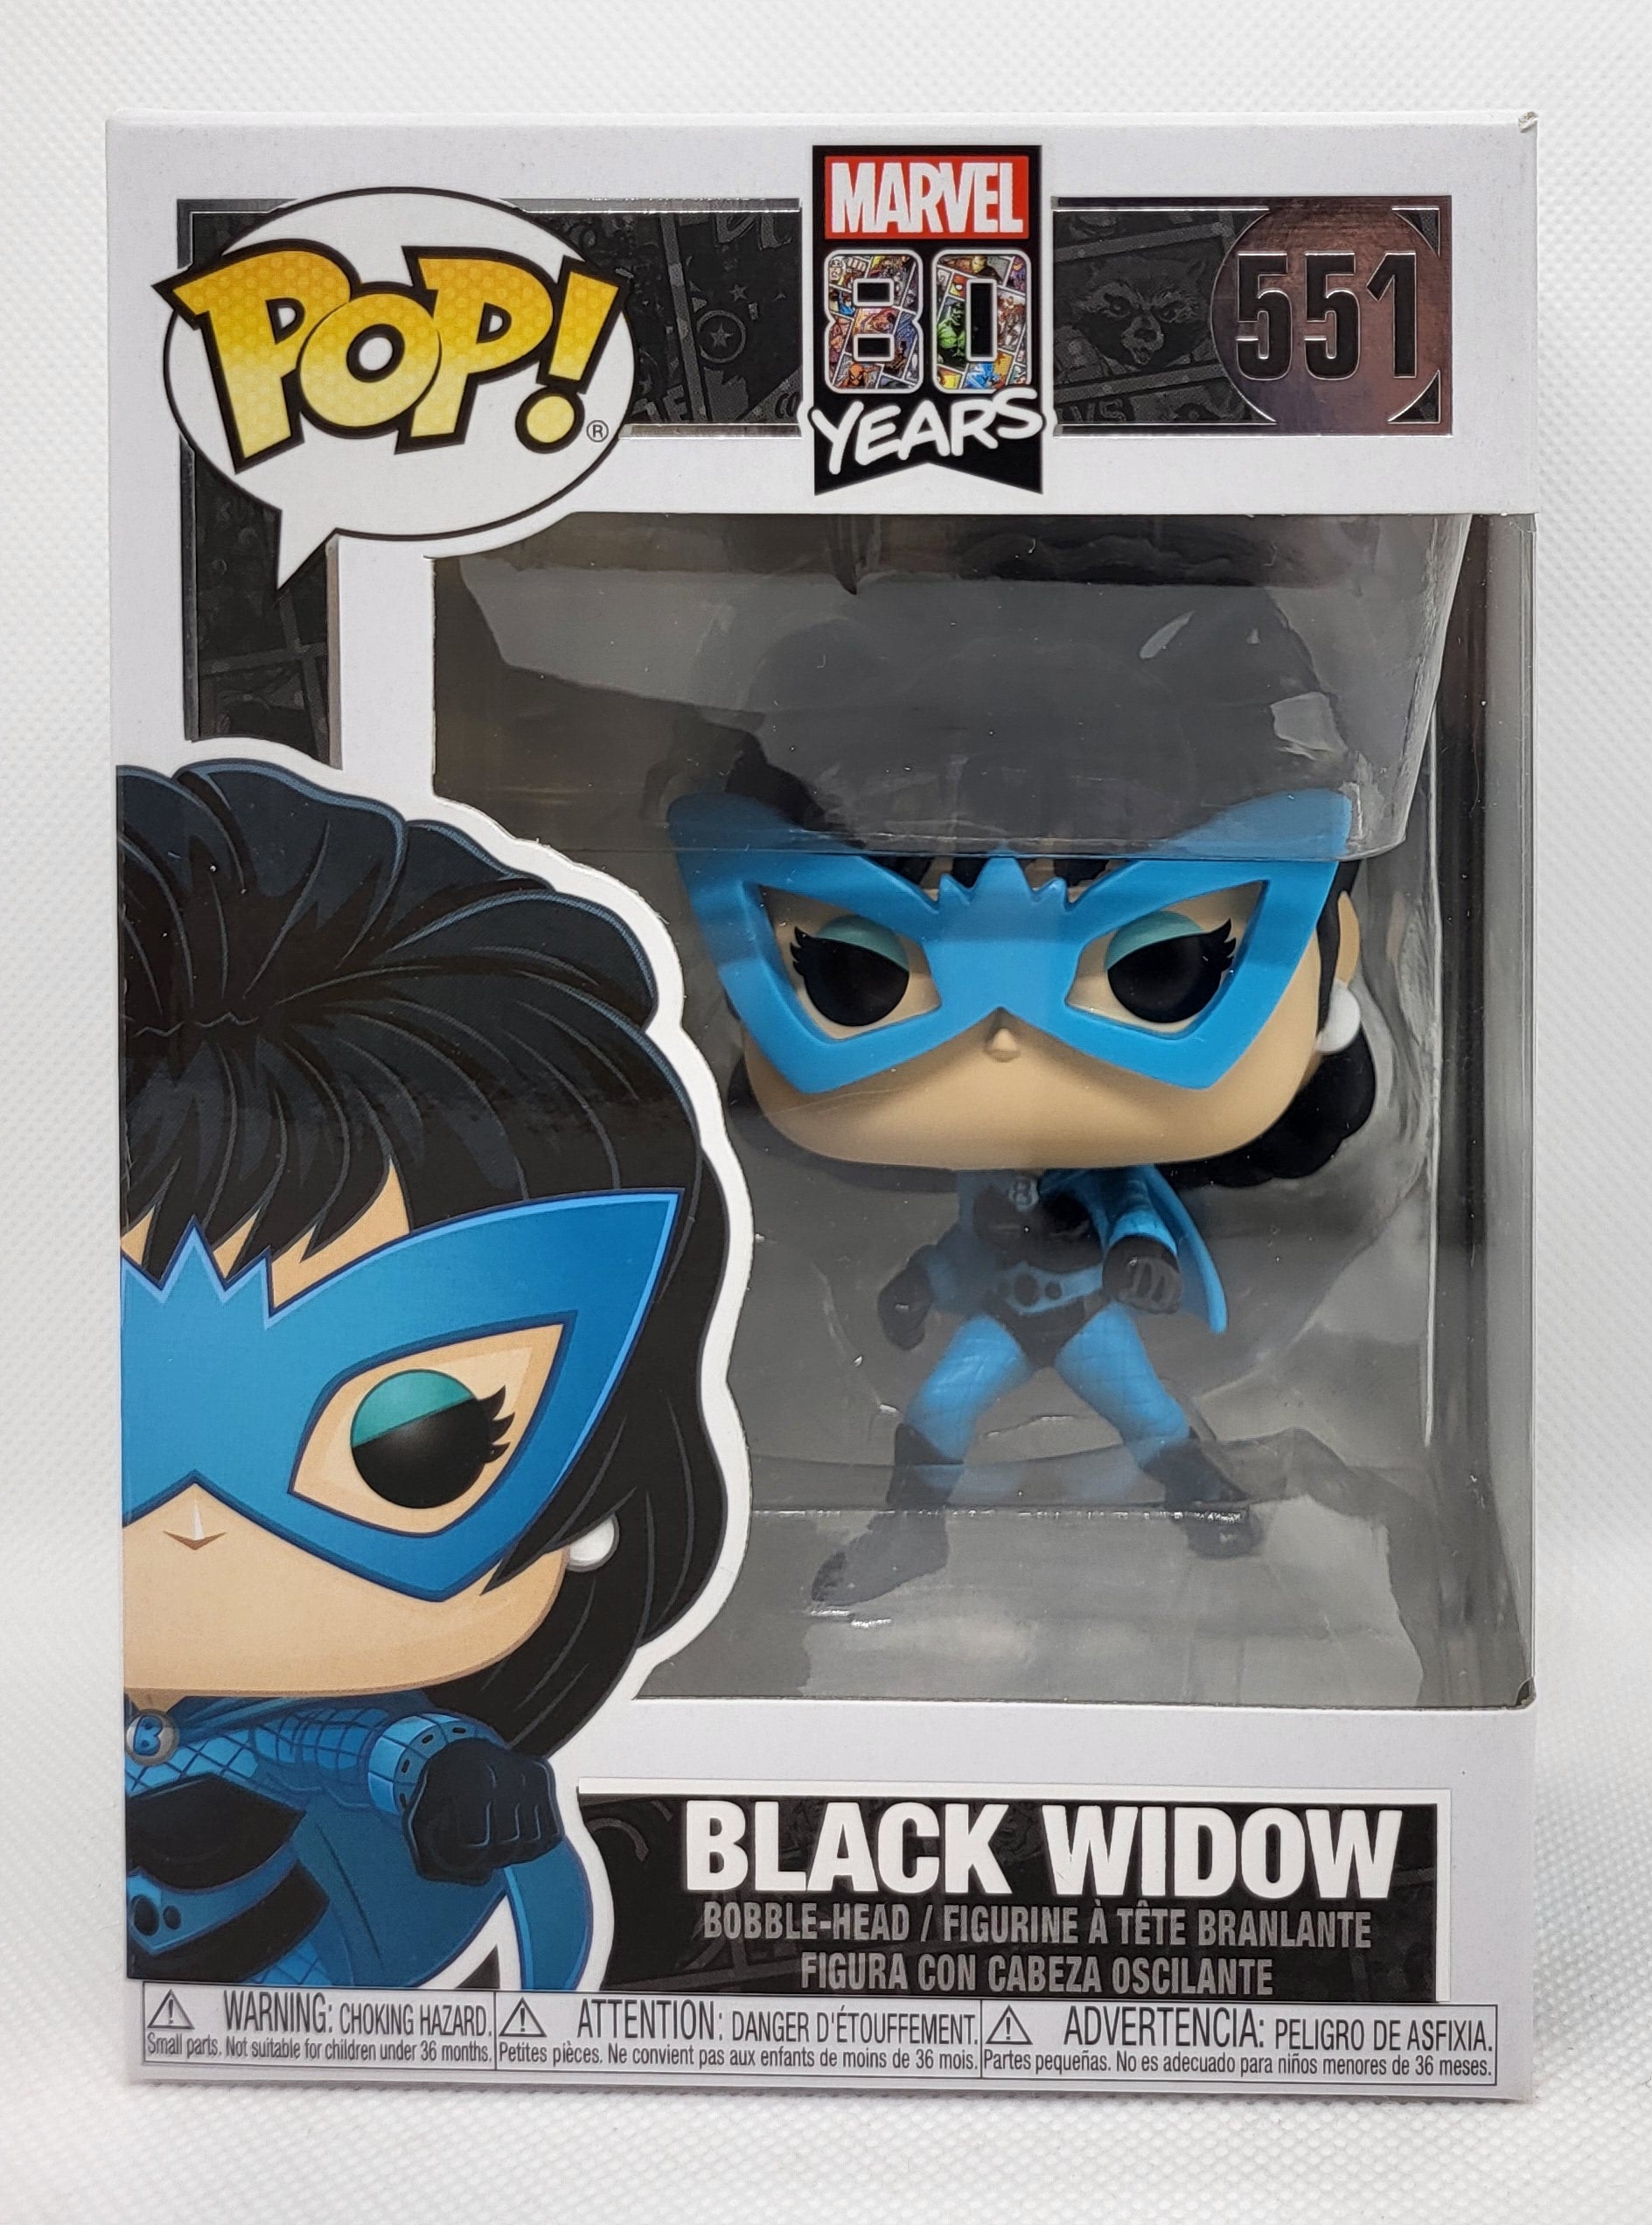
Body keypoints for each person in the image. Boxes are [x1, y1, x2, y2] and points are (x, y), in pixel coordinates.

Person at [121, 760, 729, 1986]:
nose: (193, 1525)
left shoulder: (263, 1735)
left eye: (417, 1441)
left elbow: (357, 1748)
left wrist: (457, 1774)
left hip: (283, 1993)